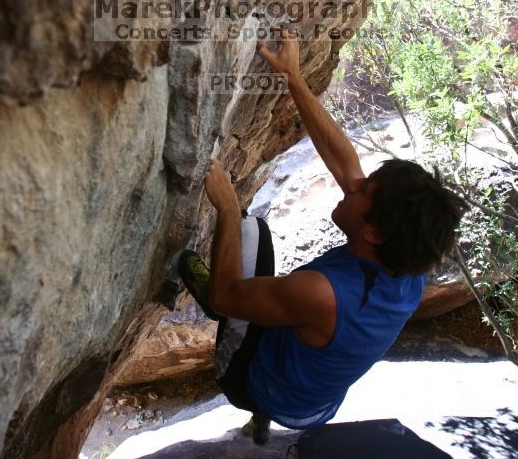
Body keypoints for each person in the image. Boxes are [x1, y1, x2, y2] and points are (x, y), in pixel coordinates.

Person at [179, 30, 467, 445]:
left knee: (249, 231)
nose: (352, 184)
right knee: (276, 292)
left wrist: (225, 206)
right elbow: (344, 159)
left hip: (254, 384)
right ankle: (266, 396)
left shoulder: (322, 294)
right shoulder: (408, 261)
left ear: (372, 231)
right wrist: (293, 77)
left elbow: (227, 298)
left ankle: (252, 394)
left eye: (362, 191)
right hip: (319, 403)